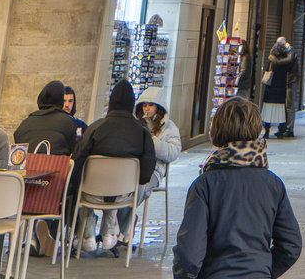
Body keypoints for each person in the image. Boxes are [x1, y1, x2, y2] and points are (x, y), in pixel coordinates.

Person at [172, 97, 301, 279]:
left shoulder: (205, 185)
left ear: (217, 131)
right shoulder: (273, 184)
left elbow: (190, 252)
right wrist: (264, 270)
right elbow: (291, 245)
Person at [70, 80, 156, 255]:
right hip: (124, 195)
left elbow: (77, 161)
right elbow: (147, 172)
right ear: (132, 104)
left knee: (84, 183)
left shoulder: (95, 128)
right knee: (116, 190)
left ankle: (87, 234)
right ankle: (110, 233)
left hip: (91, 193)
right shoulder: (142, 132)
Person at [116, 87, 182, 243]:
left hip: (154, 171)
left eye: (150, 105)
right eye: (144, 105)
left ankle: (120, 229)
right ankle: (119, 228)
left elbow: (173, 151)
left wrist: (151, 141)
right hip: (131, 167)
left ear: (158, 106)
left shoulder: (169, 127)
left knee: (139, 187)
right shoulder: (135, 123)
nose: (147, 108)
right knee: (120, 188)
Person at [13, 81, 82, 154]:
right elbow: (76, 152)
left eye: (70, 101)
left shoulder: (25, 123)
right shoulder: (68, 122)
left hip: (28, 165)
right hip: (56, 165)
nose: (67, 105)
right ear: (60, 101)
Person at [260, 38, 298, 141]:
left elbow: (268, 70)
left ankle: (267, 131)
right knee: (282, 110)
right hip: (281, 88)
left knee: (268, 110)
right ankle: (282, 129)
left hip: (271, 88)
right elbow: (291, 63)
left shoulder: (272, 60)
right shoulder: (286, 61)